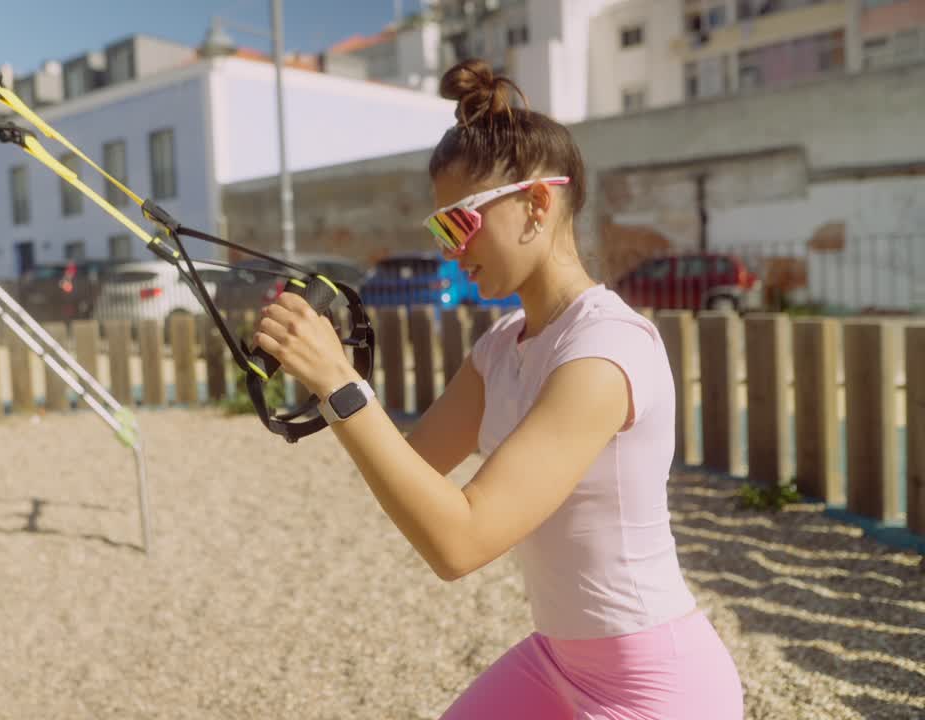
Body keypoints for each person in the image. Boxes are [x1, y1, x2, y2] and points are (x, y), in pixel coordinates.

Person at [253, 59, 744, 720]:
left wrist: (342, 386)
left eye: (459, 223)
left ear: (537, 205)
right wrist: (327, 376)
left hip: (655, 686)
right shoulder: (502, 346)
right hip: (558, 660)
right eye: (439, 231)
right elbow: (414, 469)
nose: (451, 250)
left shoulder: (606, 352)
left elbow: (461, 543)